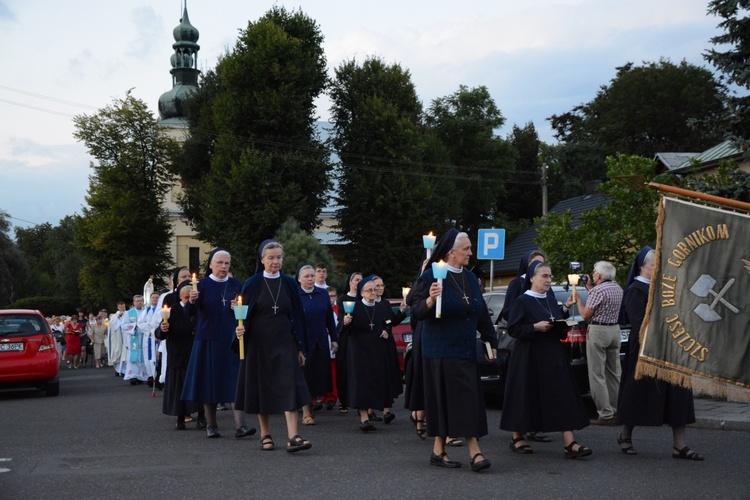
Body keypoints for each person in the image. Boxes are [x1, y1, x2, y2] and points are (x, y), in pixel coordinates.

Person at [411, 229, 496, 472]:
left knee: (454, 401)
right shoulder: (429, 277)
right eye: (466, 249)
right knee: (460, 400)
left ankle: (438, 451)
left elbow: (480, 312)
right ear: (451, 253)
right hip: (440, 349)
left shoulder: (469, 278)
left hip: (466, 348)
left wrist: (491, 341)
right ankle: (475, 452)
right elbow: (415, 311)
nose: (471, 252)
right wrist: (429, 301)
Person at [616, 248, 704, 460]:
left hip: (673, 349)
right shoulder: (635, 290)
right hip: (646, 350)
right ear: (642, 267)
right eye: (654, 264)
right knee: (638, 394)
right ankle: (626, 435)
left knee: (679, 394)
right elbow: (639, 323)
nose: (659, 267)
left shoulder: (666, 288)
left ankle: (679, 445)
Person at [501, 260, 592, 459]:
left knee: (562, 395)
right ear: (532, 278)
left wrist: (564, 320)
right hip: (529, 356)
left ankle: (570, 443)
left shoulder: (550, 299)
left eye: (550, 276)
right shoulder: (522, 301)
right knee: (525, 396)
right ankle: (517, 437)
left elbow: (554, 319)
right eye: (544, 276)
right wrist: (534, 327)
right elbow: (513, 329)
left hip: (552, 354)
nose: (548, 280)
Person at [235, 240, 311, 452]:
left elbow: (297, 316)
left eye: (279, 257)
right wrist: (239, 329)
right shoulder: (252, 283)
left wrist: (299, 347)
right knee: (262, 388)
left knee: (290, 386)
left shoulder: (289, 284)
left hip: (285, 341)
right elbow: (243, 315)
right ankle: (265, 434)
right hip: (259, 343)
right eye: (271, 258)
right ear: (262, 260)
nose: (275, 261)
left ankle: (293, 436)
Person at [182, 248, 255, 439]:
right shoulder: (202, 285)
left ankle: (241, 426)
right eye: (220, 263)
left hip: (231, 339)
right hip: (208, 339)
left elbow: (245, 314)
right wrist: (191, 301)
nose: (223, 266)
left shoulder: (236, 285)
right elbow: (188, 314)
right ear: (211, 264)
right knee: (210, 382)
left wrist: (238, 309)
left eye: (227, 263)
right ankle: (211, 425)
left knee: (234, 382)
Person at [499, 249, 551, 443]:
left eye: (542, 264)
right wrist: (527, 314)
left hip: (542, 342)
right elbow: (507, 312)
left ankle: (536, 426)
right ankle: (519, 431)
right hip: (523, 338)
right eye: (536, 265)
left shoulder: (545, 285)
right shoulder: (518, 284)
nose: (539, 268)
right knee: (522, 386)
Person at [339, 276, 395, 432]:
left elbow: (386, 325)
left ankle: (373, 412)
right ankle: (363, 419)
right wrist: (345, 322)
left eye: (375, 289)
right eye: (369, 290)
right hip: (359, 351)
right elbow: (344, 331)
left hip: (377, 350)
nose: (373, 292)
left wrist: (385, 332)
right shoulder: (354, 307)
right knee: (361, 384)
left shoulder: (380, 307)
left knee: (375, 382)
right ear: (361, 293)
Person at [576, 261, 624, 425]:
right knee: (614, 372)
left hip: (599, 331)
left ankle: (605, 413)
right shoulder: (618, 288)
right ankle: (616, 409)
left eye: (594, 272)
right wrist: (589, 287)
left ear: (600, 275)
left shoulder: (597, 291)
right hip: (614, 330)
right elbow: (601, 301)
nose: (593, 274)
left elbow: (585, 315)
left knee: (597, 373)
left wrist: (578, 301)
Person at [157, 277, 204, 430]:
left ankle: (202, 416)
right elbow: (160, 331)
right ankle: (180, 417)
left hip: (196, 352)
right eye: (187, 296)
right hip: (178, 355)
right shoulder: (174, 310)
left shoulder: (200, 308)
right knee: (179, 388)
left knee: (199, 386)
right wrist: (162, 329)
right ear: (183, 296)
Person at [296, 264, 338, 425]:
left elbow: (329, 318)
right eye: (306, 276)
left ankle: (314, 404)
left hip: (321, 341)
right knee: (305, 376)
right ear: (299, 279)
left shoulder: (322, 294)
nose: (310, 279)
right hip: (304, 343)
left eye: (312, 276)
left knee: (318, 376)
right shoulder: (296, 295)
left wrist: (334, 339)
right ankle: (306, 411)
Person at [373, 275, 405, 423]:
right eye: (377, 286)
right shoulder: (368, 304)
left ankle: (386, 410)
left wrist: (402, 310)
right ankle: (369, 409)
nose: (379, 289)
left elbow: (392, 322)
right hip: (373, 345)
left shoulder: (385, 303)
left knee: (387, 376)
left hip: (387, 344)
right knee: (374, 376)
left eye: (381, 285)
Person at [335, 272, 363, 414]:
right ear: (350, 282)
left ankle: (362, 403)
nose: (359, 282)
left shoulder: (362, 299)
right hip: (345, 337)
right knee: (344, 369)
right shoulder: (342, 299)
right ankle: (343, 401)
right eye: (356, 280)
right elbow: (340, 320)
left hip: (359, 337)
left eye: (361, 280)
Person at [123, 295, 150, 385]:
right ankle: (133, 376)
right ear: (134, 303)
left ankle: (142, 376)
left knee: (144, 356)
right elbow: (124, 325)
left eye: (141, 300)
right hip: (133, 337)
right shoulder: (128, 313)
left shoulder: (147, 311)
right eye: (137, 301)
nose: (139, 302)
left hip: (144, 337)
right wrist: (134, 326)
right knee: (133, 357)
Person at [321, 286, 340, 411]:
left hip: (333, 343)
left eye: (332, 296)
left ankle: (331, 398)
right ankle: (319, 397)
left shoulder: (339, 310)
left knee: (333, 373)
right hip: (322, 343)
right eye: (328, 296)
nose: (330, 299)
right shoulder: (321, 308)